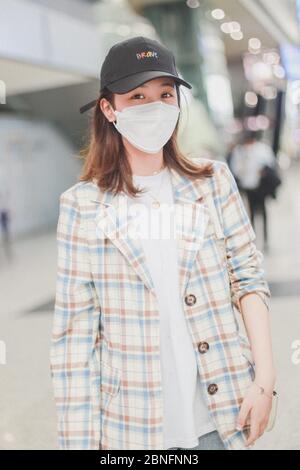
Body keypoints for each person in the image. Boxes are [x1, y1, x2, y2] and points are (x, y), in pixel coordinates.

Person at [50, 36, 276, 451]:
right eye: (137, 96)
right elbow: (74, 338)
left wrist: (263, 383)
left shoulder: (213, 182)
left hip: (221, 415)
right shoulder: (82, 205)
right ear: (109, 108)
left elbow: (248, 280)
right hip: (132, 430)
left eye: (164, 93)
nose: (154, 106)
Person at [230, 133, 277, 250]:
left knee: (261, 212)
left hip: (259, 186)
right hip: (249, 186)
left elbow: (269, 164)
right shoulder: (240, 151)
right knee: (252, 213)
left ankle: (264, 239)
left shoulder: (261, 149)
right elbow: (235, 169)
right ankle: (255, 238)